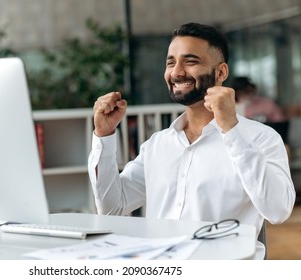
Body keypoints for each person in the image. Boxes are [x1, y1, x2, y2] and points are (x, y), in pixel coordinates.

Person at [88, 22, 295, 259]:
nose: (177, 72)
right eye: (170, 62)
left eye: (190, 61)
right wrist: (103, 136)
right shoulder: (158, 144)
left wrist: (231, 128)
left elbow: (278, 211)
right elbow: (112, 207)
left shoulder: (261, 138)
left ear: (221, 73)